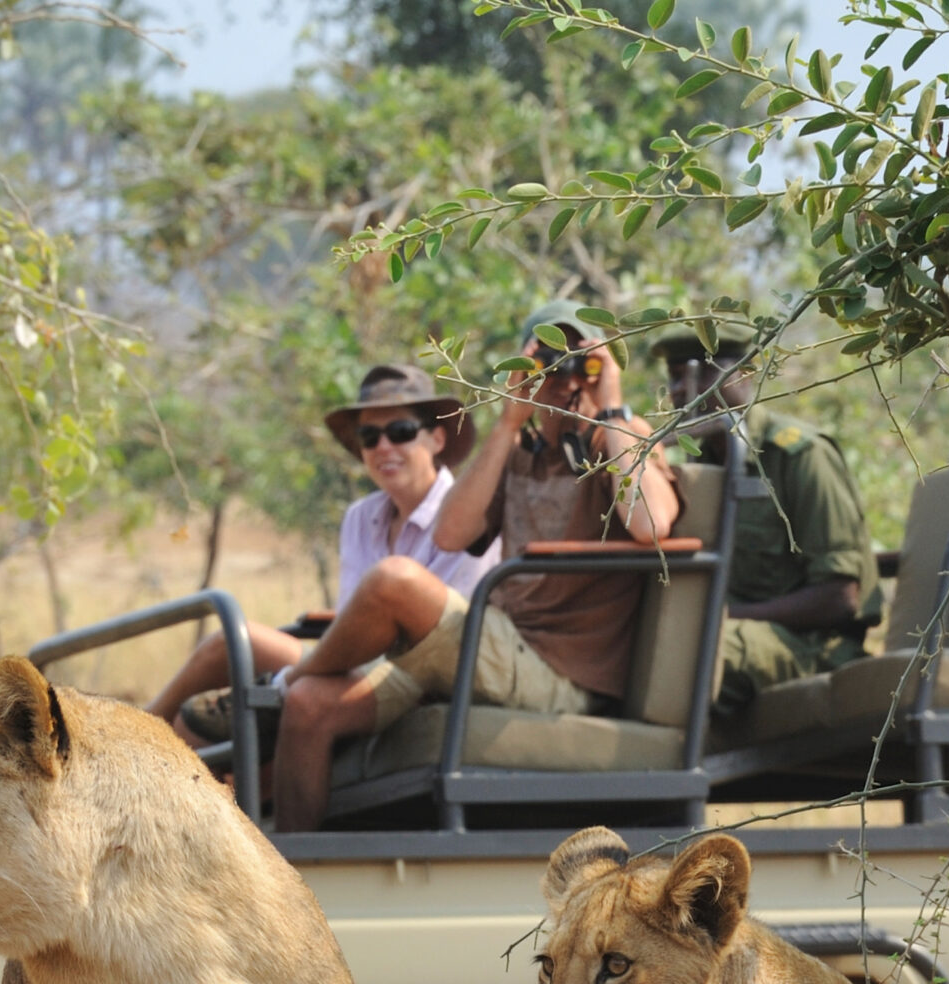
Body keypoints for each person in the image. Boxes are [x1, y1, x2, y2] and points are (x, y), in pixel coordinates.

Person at [160, 316, 678, 833]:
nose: (562, 382)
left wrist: (610, 405)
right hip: (495, 647)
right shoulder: (519, 454)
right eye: (545, 367)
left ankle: (281, 680)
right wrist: (507, 422)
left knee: (395, 581)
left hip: (559, 672)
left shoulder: (621, 439)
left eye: (576, 367)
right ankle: (294, 873)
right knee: (309, 704)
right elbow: (450, 534)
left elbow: (650, 524)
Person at [149, 364, 498, 812]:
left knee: (269, 672)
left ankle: (284, 853)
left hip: (424, 671)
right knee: (208, 689)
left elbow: (450, 635)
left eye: (401, 430)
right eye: (370, 437)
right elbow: (354, 620)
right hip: (361, 658)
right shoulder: (362, 518)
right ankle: (124, 756)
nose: (384, 447)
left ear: (437, 439)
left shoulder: (464, 511)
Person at [653, 315, 881, 719]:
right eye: (675, 379)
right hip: (738, 630)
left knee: (695, 651)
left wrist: (724, 617)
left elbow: (839, 598)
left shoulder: (799, 455)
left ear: (745, 374)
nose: (684, 394)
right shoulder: (695, 468)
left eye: (704, 374)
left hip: (812, 644)